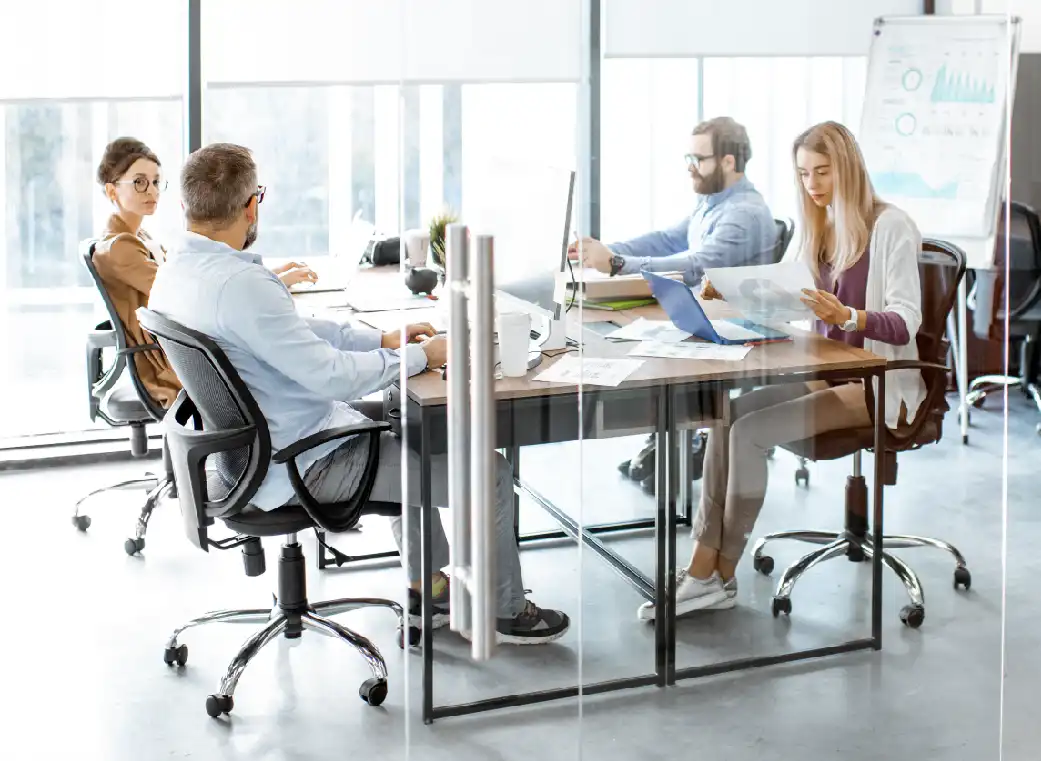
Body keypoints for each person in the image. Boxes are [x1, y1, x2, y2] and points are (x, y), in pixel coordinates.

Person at [148, 143, 569, 644]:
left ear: (186, 206)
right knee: (490, 472)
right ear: (251, 205)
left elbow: (295, 332)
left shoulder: (176, 274)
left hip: (248, 453)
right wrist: (422, 357)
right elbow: (333, 377)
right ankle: (506, 610)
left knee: (415, 431)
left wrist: (384, 339)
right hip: (301, 464)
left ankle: (428, 586)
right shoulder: (241, 283)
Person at [637, 120, 926, 621]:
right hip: (827, 374)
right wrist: (725, 291)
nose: (812, 185)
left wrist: (849, 317)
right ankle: (703, 568)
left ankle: (719, 574)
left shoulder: (890, 226)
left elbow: (906, 321)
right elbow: (781, 292)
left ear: (849, 169)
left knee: (750, 431)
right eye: (803, 174)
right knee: (724, 417)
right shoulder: (822, 225)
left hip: (876, 385)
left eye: (822, 172)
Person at [568, 117, 778, 489]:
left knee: (647, 346)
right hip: (703, 315)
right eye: (688, 156)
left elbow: (697, 265)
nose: (689, 166)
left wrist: (617, 265)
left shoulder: (744, 212)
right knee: (634, 335)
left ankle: (688, 441)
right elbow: (668, 240)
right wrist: (608, 250)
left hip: (731, 328)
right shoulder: (712, 201)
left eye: (698, 158)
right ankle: (668, 438)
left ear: (728, 162)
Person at [91, 137, 318, 408]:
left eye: (155, 181)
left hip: (180, 349)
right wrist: (272, 282)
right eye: (139, 182)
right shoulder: (119, 248)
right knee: (280, 359)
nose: (151, 190)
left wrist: (270, 277)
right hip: (170, 361)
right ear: (112, 191)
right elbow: (185, 291)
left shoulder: (139, 237)